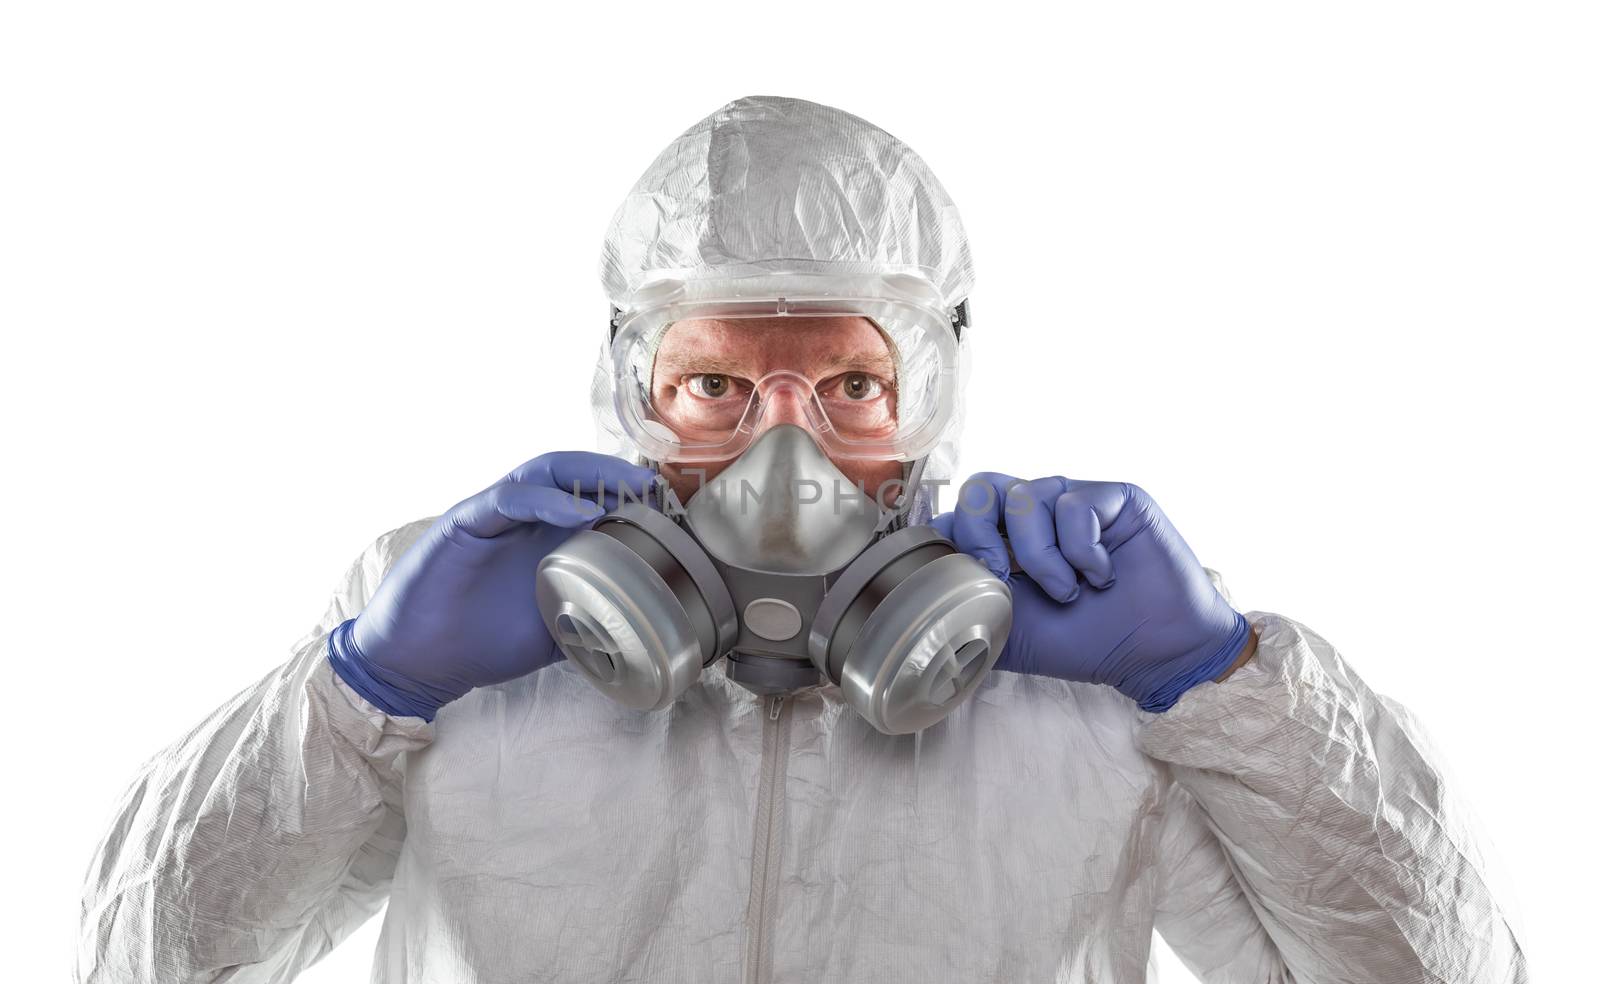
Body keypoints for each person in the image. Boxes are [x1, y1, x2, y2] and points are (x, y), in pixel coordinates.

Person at [76, 95, 1527, 983]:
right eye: (717, 385)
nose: (787, 453)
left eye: (849, 386)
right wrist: (361, 693)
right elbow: (152, 961)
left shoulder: (1084, 667)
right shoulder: (458, 624)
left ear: (929, 395)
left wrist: (1223, 682)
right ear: (633, 387)